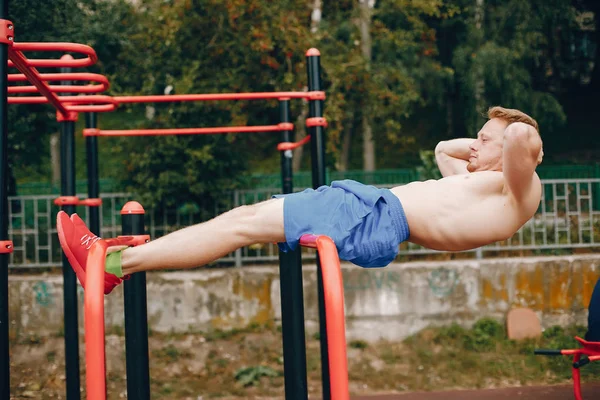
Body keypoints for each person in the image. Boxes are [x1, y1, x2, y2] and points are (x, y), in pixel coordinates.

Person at [57, 106, 544, 294]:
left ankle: (116, 261)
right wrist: (489, 143)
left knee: (239, 225)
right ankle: (121, 261)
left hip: (374, 215)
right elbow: (443, 149)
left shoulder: (518, 191)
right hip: (370, 209)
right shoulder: (476, 182)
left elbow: (521, 138)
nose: (472, 145)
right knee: (243, 220)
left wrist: (513, 137)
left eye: (483, 139)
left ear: (513, 155)